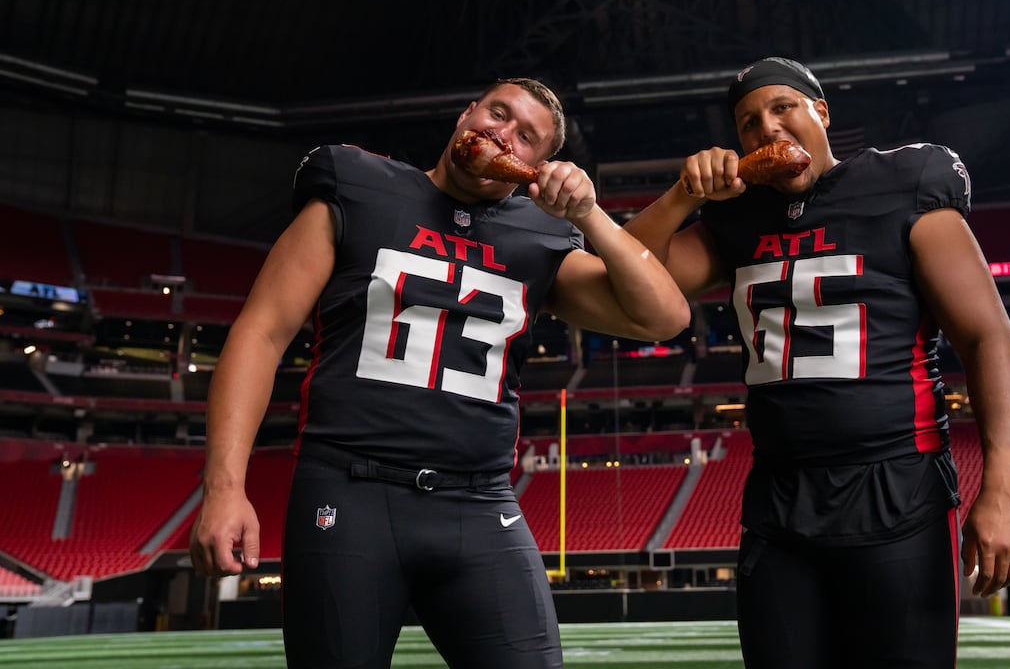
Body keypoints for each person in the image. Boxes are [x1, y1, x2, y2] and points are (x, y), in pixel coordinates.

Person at [189, 77, 691, 669]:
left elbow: (665, 318)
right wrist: (224, 487)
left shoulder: (542, 237)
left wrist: (592, 216)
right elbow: (262, 332)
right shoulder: (360, 188)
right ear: (466, 113)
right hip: (351, 494)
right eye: (497, 113)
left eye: (525, 137)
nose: (501, 133)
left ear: (536, 166)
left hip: (479, 505)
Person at [625, 57, 1010, 668]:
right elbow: (622, 279)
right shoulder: (734, 219)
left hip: (897, 491)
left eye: (782, 107)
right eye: (748, 122)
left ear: (821, 112)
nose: (766, 127)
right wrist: (683, 195)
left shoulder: (906, 185)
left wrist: (1003, 489)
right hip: (780, 503)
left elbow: (988, 339)